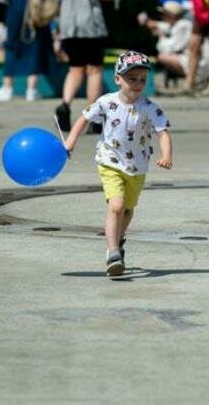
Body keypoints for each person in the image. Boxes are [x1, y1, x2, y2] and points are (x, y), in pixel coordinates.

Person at [63, 51, 173, 276]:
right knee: (116, 205)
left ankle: (119, 239)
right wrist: (70, 142)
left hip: (137, 167)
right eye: (132, 79)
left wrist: (166, 155)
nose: (138, 84)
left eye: (143, 79)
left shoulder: (150, 107)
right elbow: (84, 118)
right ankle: (113, 252)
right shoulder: (106, 102)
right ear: (117, 79)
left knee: (128, 209)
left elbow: (163, 132)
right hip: (109, 161)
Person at [53, 0, 125, 133]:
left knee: (75, 69)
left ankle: (65, 105)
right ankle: (93, 117)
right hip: (91, 24)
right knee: (94, 70)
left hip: (69, 24)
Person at [138, 0, 209, 85]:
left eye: (164, 14)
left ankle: (191, 79)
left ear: (171, 15)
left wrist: (161, 36)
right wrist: (149, 22)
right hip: (200, 62)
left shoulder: (182, 26)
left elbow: (171, 49)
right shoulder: (180, 23)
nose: (162, 17)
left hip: (200, 66)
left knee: (163, 57)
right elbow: (163, 26)